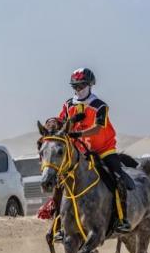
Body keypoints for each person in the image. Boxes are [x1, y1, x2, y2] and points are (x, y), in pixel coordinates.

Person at [52, 68, 133, 238]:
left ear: (90, 85)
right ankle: (59, 224)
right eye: (75, 86)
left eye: (81, 85)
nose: (78, 89)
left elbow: (97, 129)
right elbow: (61, 121)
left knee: (118, 179)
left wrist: (78, 134)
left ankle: (121, 219)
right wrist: (53, 123)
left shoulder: (100, 106)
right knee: (60, 182)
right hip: (80, 152)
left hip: (103, 150)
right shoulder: (68, 105)